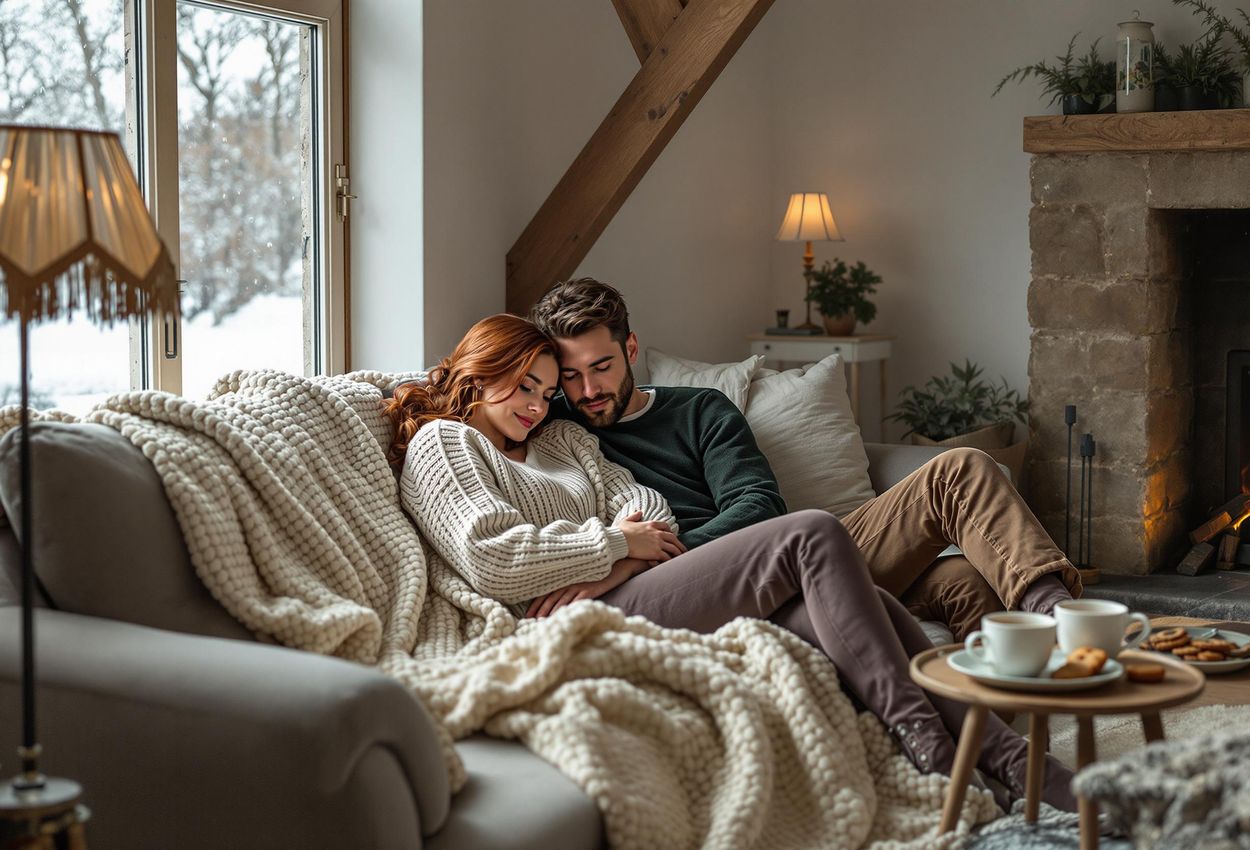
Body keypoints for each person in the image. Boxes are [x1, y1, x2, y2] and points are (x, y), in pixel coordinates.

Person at [385, 313, 1077, 813]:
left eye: (544, 388)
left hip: (627, 586)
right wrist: (616, 546)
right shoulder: (445, 445)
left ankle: (1018, 767)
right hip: (570, 619)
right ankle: (927, 744)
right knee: (809, 534)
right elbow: (493, 559)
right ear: (483, 372)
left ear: (628, 352)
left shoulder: (565, 439)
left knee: (857, 607)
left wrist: (620, 555)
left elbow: (649, 508)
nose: (539, 404)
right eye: (527, 387)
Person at [528, 277, 1083, 643]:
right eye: (570, 376)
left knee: (966, 577)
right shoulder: (552, 426)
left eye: (600, 366)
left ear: (629, 349)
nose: (588, 389)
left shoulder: (698, 409)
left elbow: (757, 503)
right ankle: (1071, 625)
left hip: (789, 555)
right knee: (958, 470)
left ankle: (1008, 735)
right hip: (707, 588)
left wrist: (662, 553)